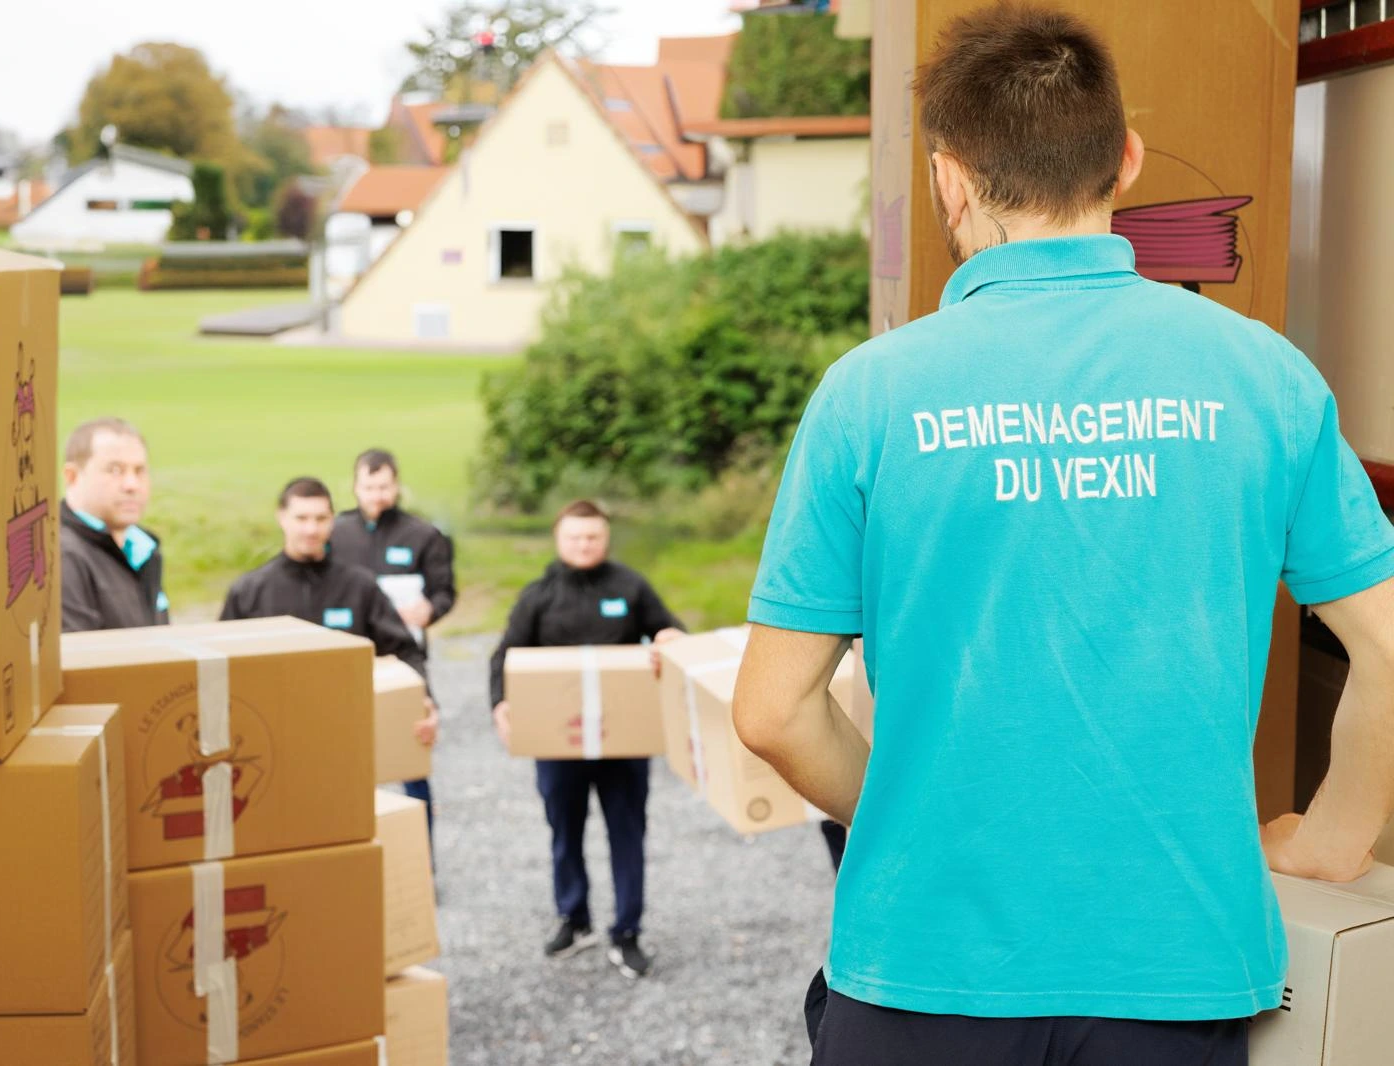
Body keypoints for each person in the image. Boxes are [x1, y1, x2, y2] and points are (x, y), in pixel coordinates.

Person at [731, 6, 1394, 1066]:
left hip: (921, 971)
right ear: (1124, 157)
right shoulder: (1263, 375)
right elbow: (1388, 644)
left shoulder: (868, 395)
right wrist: (1333, 833)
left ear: (948, 175)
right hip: (1171, 976)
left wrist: (914, 809)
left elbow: (770, 712)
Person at [488, 500, 685, 980]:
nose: (584, 545)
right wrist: (501, 704)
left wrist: (670, 639)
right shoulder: (538, 595)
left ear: (606, 539)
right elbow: (504, 657)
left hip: (623, 742)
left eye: (593, 537)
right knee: (565, 831)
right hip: (560, 744)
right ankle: (574, 918)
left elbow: (671, 630)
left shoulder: (630, 586)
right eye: (575, 537)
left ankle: (627, 931)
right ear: (559, 538)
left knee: (627, 834)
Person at [220, 478, 440, 840]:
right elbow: (222, 669)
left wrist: (424, 698)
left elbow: (405, 650)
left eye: (321, 518)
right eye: (302, 518)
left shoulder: (360, 586)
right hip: (277, 744)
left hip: (350, 741)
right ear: (282, 518)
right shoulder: (251, 592)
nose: (311, 529)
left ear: (332, 520)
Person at [331, 449, 456, 646]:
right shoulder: (334, 532)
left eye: (383, 487)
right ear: (355, 487)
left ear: (396, 486)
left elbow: (444, 591)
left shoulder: (423, 534)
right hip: (349, 643)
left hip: (404, 644)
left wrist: (430, 610)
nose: (376, 496)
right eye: (369, 488)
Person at [60, 417, 170, 633]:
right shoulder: (62, 558)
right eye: (115, 470)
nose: (132, 485)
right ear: (72, 476)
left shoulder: (144, 549)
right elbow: (78, 659)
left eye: (139, 471)